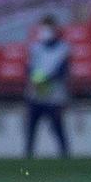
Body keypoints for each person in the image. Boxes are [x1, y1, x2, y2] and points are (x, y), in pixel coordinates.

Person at [24, 17, 71, 157]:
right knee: (31, 126)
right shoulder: (35, 48)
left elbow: (62, 70)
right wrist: (36, 80)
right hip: (36, 92)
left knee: (57, 125)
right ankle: (28, 155)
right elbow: (29, 69)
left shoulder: (63, 48)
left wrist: (44, 79)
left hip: (55, 93)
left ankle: (65, 154)